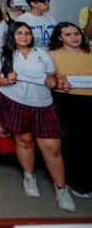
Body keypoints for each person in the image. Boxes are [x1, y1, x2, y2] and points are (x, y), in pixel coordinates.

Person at [0, 23, 75, 212]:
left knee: (53, 148)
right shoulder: (2, 54)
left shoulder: (42, 54)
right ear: (11, 35)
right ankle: (29, 176)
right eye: (19, 33)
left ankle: (61, 188)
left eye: (27, 33)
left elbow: (53, 79)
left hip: (43, 103)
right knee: (24, 141)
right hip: (15, 100)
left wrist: (53, 82)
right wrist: (6, 80)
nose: (24, 36)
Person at [48, 22, 92, 199]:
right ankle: (74, 180)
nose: (74, 37)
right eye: (68, 34)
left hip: (89, 100)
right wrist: (59, 84)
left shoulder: (89, 53)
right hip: (66, 100)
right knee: (71, 140)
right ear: (59, 37)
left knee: (89, 141)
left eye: (76, 33)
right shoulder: (51, 55)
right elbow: (48, 80)